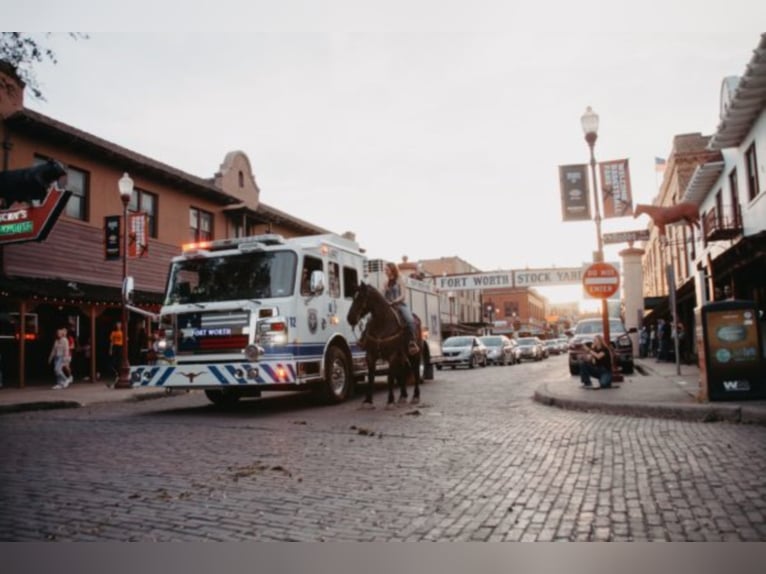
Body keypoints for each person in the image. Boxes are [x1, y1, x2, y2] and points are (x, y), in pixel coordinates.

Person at [383, 262, 419, 355]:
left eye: (387, 269)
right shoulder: (386, 282)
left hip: (400, 304)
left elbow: (403, 296)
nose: (385, 271)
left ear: (392, 270)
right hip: (388, 306)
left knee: (410, 319)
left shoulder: (400, 280)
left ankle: (412, 342)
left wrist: (394, 301)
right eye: (385, 270)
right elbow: (382, 295)